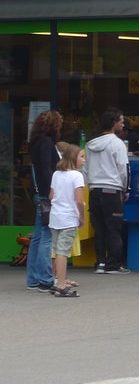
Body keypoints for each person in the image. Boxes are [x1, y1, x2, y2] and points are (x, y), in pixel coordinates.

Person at [85, 108, 130, 273]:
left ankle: (101, 263)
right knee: (114, 228)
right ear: (113, 123)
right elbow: (124, 169)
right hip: (112, 189)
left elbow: (85, 169)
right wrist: (125, 189)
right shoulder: (117, 143)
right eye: (121, 121)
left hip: (94, 189)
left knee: (99, 228)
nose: (123, 125)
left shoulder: (90, 144)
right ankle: (113, 264)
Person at [25, 110, 63, 292]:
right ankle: (45, 279)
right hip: (46, 194)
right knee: (47, 236)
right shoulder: (47, 143)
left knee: (38, 236)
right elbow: (48, 170)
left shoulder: (36, 142)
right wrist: (54, 192)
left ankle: (33, 279)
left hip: (38, 192)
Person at [48, 145, 86, 297]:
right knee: (63, 252)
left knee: (55, 250)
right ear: (73, 158)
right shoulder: (77, 176)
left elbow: (51, 195)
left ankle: (54, 280)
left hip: (55, 216)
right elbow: (79, 200)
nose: (84, 160)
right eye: (82, 157)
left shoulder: (56, 174)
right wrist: (81, 216)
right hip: (69, 218)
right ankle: (61, 285)